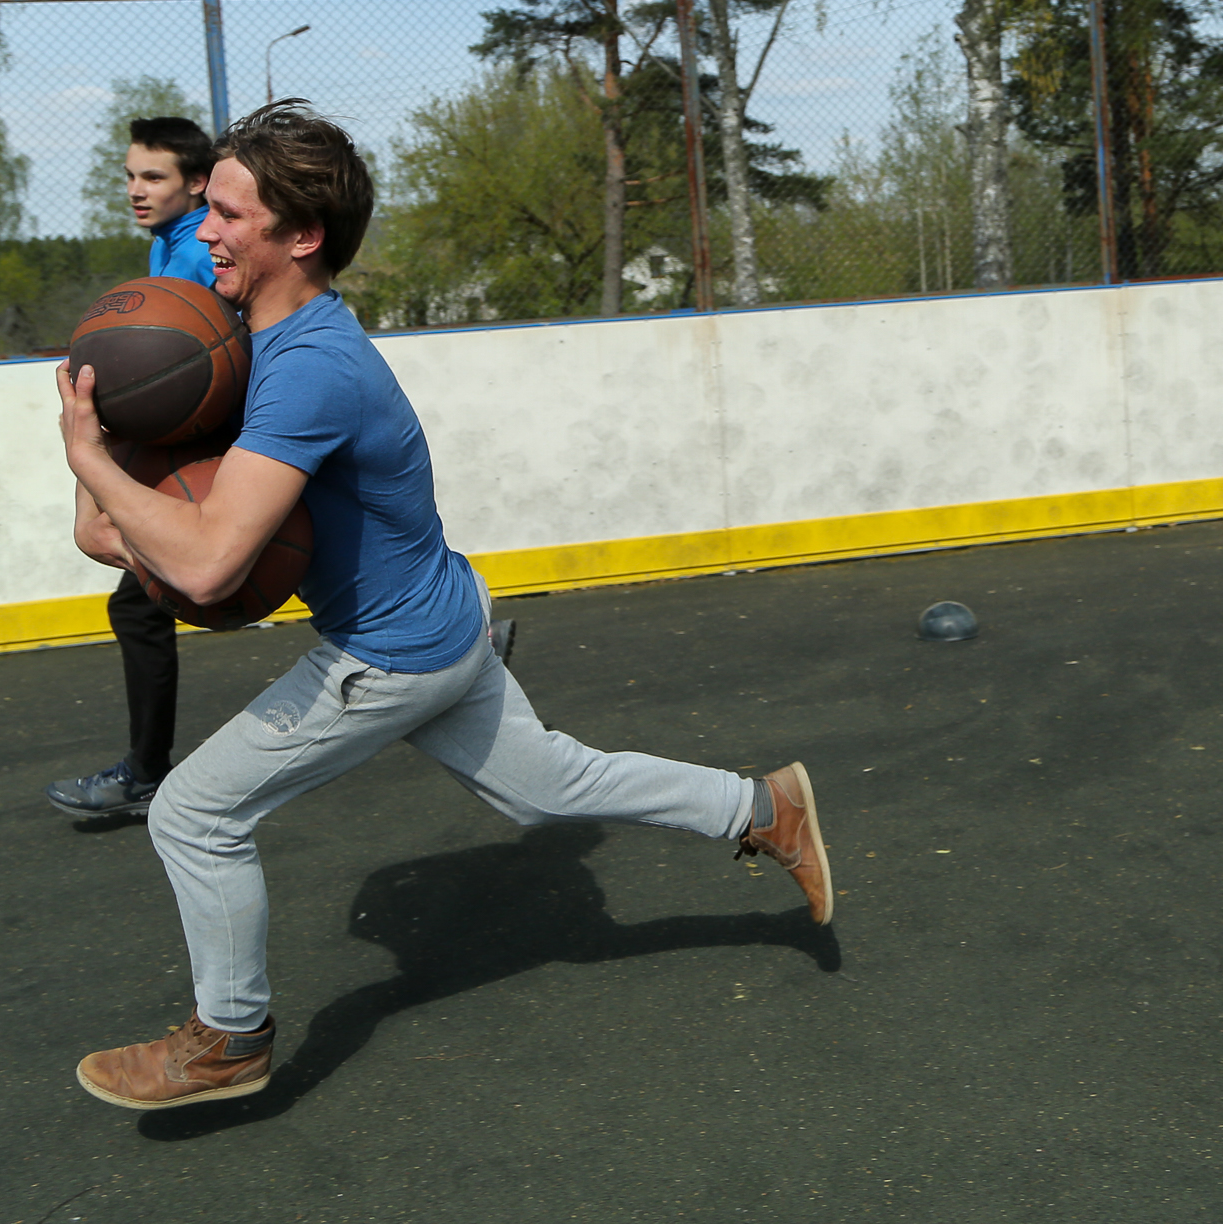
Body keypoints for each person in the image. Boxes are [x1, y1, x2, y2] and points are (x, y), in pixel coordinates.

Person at [56, 101, 831, 1112]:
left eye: (231, 214)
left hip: (393, 653)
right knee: (547, 788)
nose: (205, 230)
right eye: (209, 208)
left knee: (195, 813)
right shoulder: (259, 340)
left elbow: (202, 570)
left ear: (303, 235)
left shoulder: (307, 370)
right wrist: (113, 448)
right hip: (449, 615)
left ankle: (229, 1040)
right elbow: (108, 537)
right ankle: (762, 808)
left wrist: (88, 458)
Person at [44, 116, 218, 820]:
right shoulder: (168, 246)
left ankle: (146, 775)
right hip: (203, 441)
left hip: (226, 442)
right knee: (303, 566)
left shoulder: (200, 250)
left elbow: (208, 362)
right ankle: (461, 633)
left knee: (143, 602)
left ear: (196, 183)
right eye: (130, 176)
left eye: (153, 176)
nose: (135, 190)